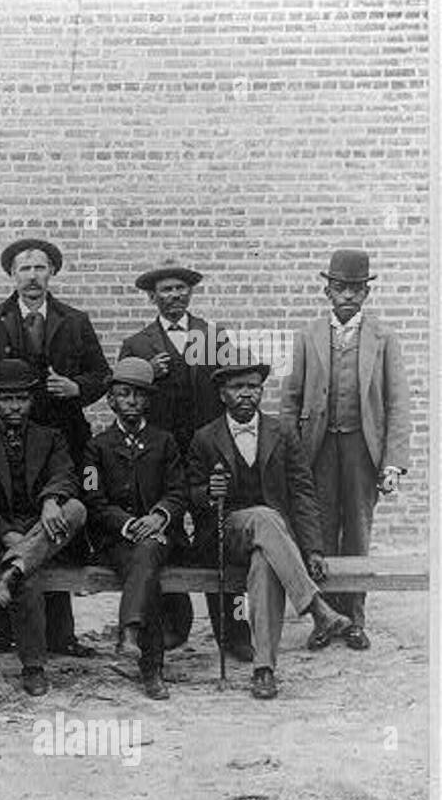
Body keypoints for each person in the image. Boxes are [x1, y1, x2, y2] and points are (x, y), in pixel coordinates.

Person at [0, 237, 109, 661]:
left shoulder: (74, 321)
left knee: (53, 529)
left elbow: (102, 376)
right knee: (1, 521)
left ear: (52, 274)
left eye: (41, 268)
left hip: (58, 444)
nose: (33, 277)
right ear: (11, 275)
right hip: (0, 444)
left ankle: (61, 634)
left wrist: (78, 388)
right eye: (25, 269)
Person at [188, 359, 350, 700]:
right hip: (225, 532)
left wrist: (314, 548)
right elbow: (188, 493)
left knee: (265, 563)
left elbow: (302, 492)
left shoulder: (283, 432)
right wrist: (208, 492)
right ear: (222, 394)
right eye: (237, 388)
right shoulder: (204, 437)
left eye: (253, 387)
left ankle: (264, 670)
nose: (246, 394)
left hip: (273, 541)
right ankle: (318, 609)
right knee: (264, 516)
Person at [279, 248, 410, 652]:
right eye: (341, 288)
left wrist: (392, 464)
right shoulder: (307, 336)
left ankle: (354, 619)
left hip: (361, 448)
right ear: (327, 290)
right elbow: (291, 399)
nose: (348, 296)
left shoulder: (384, 339)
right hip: (317, 449)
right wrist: (291, 456)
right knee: (317, 533)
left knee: (357, 532)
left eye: (356, 289)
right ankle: (325, 619)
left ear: (366, 294)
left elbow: (397, 404)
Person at [120, 259, 249, 659]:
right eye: (166, 290)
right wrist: (150, 374)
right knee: (168, 533)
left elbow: (231, 384)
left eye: (181, 289)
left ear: (190, 293)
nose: (174, 296)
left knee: (218, 532)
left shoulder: (211, 336)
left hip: (209, 449)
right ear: (152, 296)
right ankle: (175, 623)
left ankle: (234, 629)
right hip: (161, 453)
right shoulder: (139, 344)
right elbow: (128, 395)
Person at [0, 359, 88, 698]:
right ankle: (33, 667)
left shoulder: (51, 437)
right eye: (6, 399)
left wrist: (50, 501)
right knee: (27, 572)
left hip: (43, 527)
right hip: (1, 537)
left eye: (22, 399)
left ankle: (14, 567)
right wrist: (9, 536)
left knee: (74, 508)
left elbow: (67, 475)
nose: (15, 407)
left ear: (32, 401)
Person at [81, 357, 187, 700]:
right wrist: (127, 524)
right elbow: (92, 500)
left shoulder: (165, 442)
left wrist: (159, 516)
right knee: (146, 569)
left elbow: (178, 491)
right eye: (123, 394)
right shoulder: (96, 448)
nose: (131, 401)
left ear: (149, 401)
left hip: (160, 534)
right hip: (116, 540)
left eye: (139, 395)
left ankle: (130, 633)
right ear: (110, 400)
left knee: (150, 551)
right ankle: (152, 670)